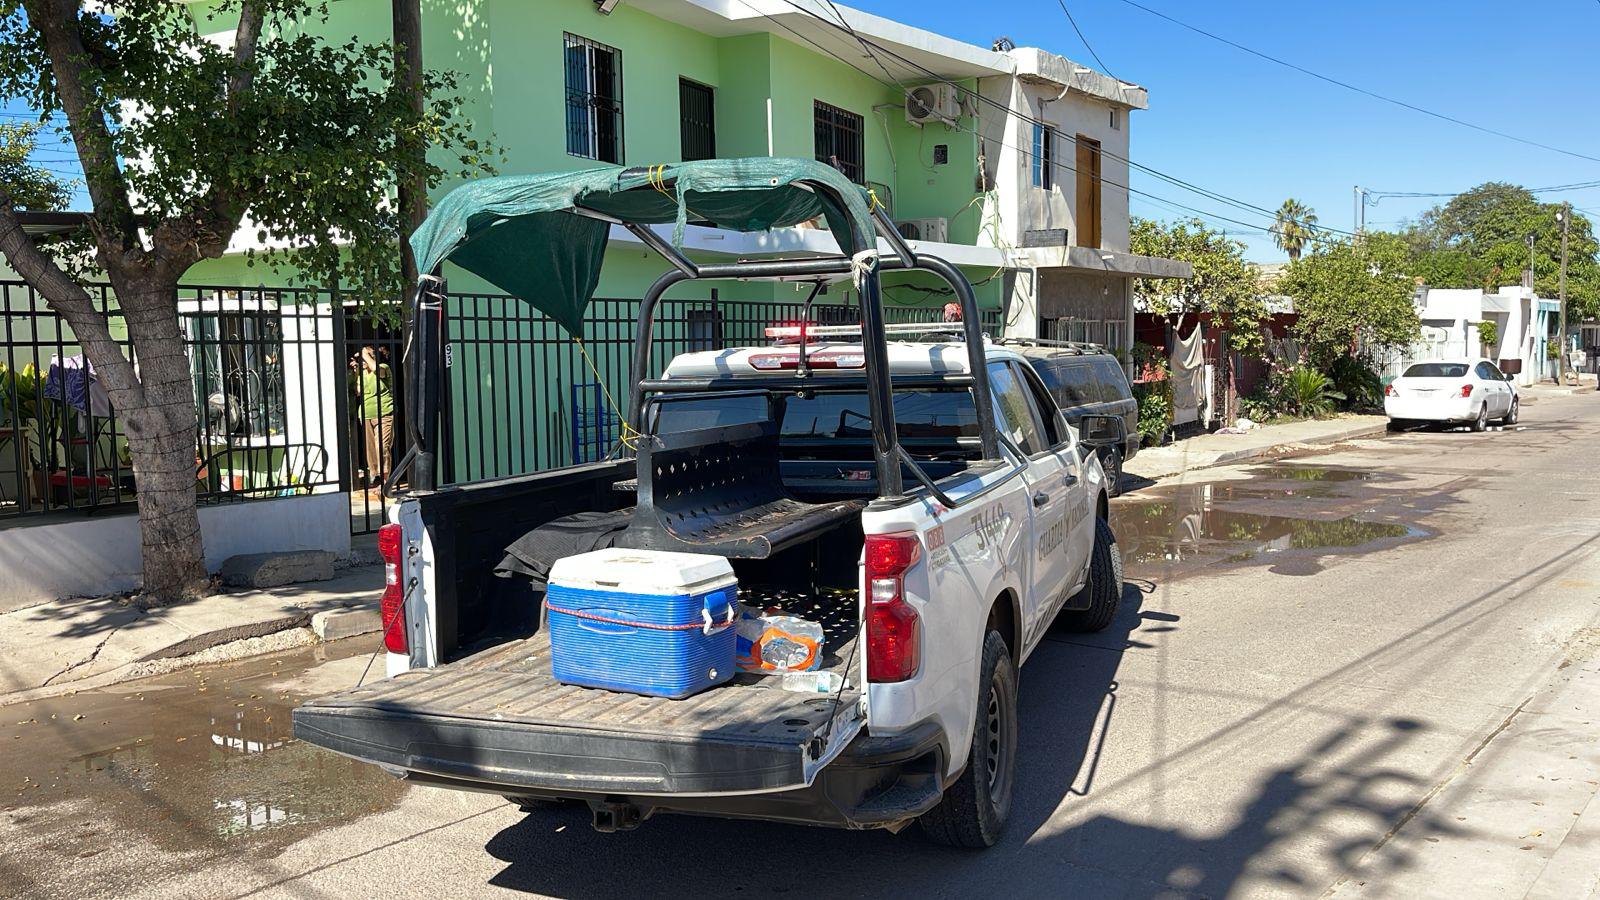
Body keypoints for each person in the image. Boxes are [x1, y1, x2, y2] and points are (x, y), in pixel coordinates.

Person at [351, 346, 393, 491]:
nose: (362, 360)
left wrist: (364, 353)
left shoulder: (383, 367)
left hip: (384, 413)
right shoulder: (362, 373)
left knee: (382, 446)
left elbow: (377, 370)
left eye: (365, 357)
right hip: (366, 415)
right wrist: (356, 371)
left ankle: (386, 483)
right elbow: (358, 392)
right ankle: (376, 478)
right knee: (371, 450)